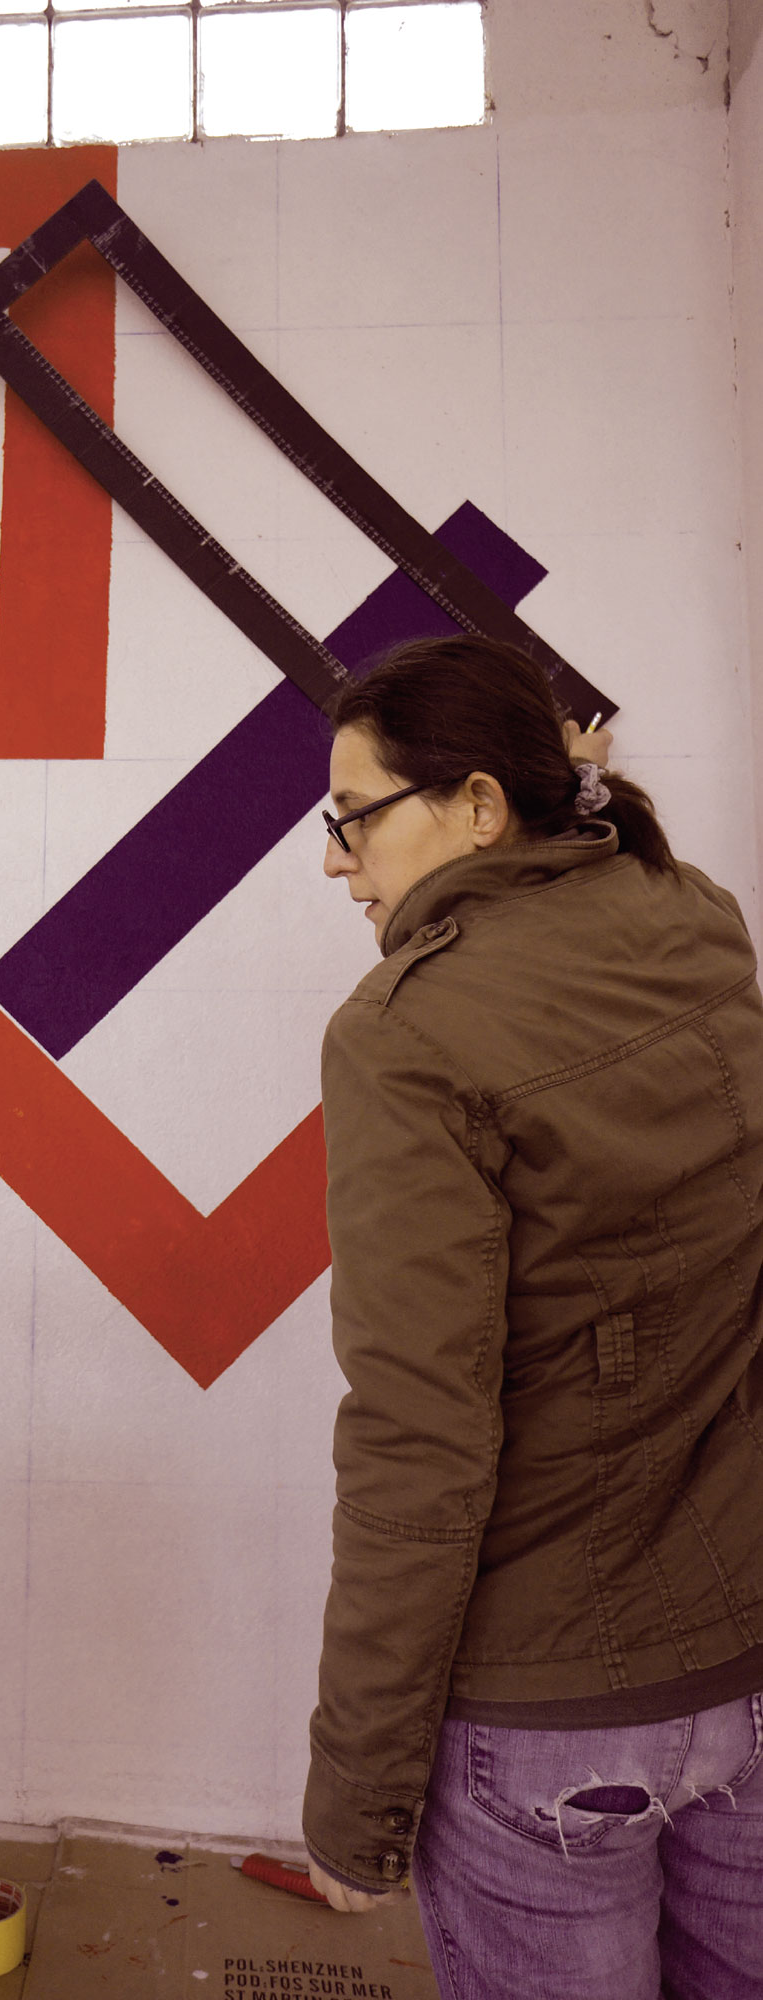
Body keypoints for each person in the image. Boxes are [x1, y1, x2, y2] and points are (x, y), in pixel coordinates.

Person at [300, 636, 763, 2000]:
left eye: (355, 820)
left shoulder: (405, 1034)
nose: (337, 862)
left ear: (483, 807)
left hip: (550, 1710)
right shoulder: (696, 924)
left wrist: (360, 1800)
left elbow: (417, 1441)